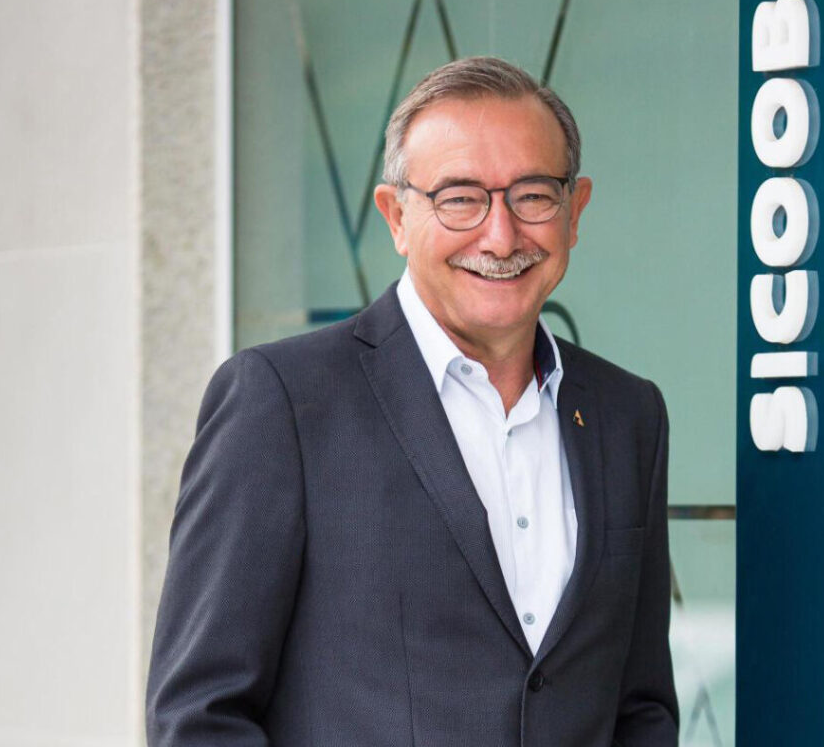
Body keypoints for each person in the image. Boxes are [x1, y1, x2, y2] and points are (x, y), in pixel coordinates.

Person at [146, 56, 678, 746]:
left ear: (574, 211)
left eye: (533, 196)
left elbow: (640, 708)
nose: (501, 235)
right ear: (396, 216)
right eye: (460, 198)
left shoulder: (627, 417)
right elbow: (198, 715)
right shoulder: (282, 403)